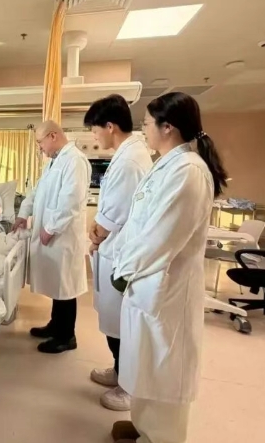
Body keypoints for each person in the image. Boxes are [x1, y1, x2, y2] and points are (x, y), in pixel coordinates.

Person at [109, 92, 228, 443]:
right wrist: (122, 258)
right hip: (147, 282)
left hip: (165, 288)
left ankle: (161, 437)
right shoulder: (166, 164)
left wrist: (123, 269)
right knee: (146, 364)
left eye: (147, 123)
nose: (143, 129)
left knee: (164, 369)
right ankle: (143, 426)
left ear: (168, 127)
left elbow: (160, 238)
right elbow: (140, 222)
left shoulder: (189, 172)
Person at [83, 95, 153, 412]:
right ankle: (119, 371)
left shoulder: (129, 161)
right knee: (114, 321)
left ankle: (128, 387)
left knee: (123, 324)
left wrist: (96, 235)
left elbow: (113, 215)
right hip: (115, 251)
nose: (95, 136)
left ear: (109, 126)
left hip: (121, 254)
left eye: (95, 129)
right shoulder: (128, 155)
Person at [13, 120, 91, 354]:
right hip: (53, 233)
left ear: (53, 136)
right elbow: (36, 192)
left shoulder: (75, 161)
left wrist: (50, 228)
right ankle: (56, 325)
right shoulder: (54, 163)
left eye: (40, 142)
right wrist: (23, 213)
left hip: (63, 236)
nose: (40, 148)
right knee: (59, 284)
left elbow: (70, 201)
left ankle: (67, 336)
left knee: (65, 287)